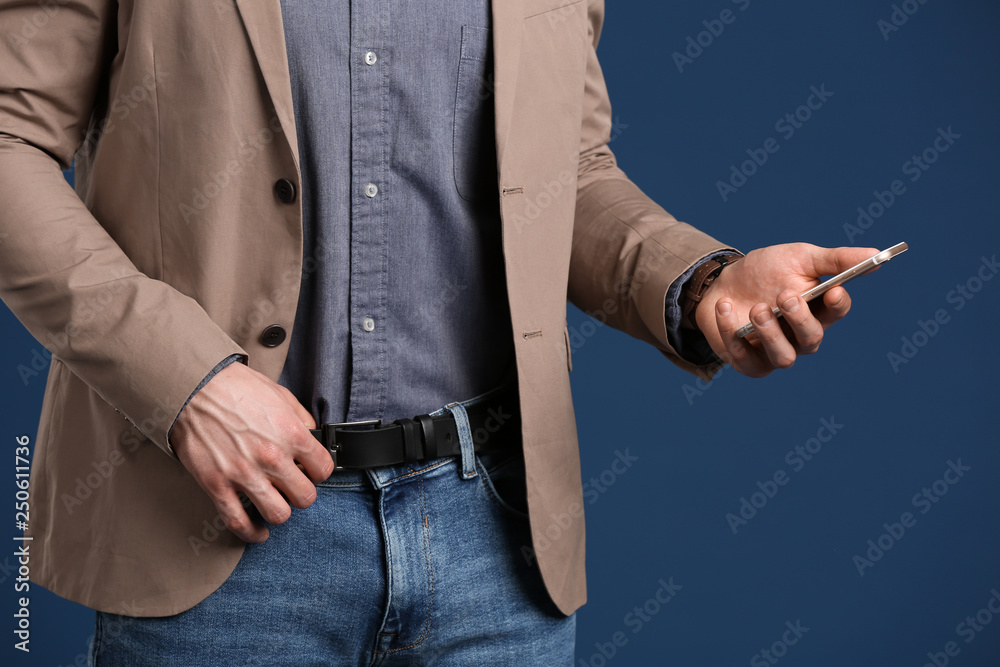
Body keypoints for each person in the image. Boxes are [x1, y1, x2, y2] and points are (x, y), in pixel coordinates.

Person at [0, 0, 875, 663]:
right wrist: (187, 380)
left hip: (494, 544)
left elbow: (562, 169)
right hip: (217, 539)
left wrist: (702, 281)